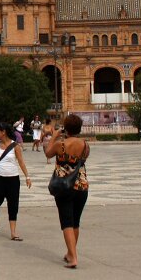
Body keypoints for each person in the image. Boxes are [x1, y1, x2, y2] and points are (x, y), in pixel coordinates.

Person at [45, 113, 91, 269]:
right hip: (81, 186)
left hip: (63, 187)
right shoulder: (85, 145)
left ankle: (73, 258)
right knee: (75, 222)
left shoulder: (61, 144)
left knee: (67, 222)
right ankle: (70, 253)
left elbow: (48, 153)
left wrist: (54, 136)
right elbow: (83, 158)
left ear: (66, 128)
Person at [0, 121, 32, 241]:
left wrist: (27, 177)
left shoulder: (15, 146)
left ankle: (13, 232)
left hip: (13, 179)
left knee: (13, 204)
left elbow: (21, 162)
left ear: (3, 132)